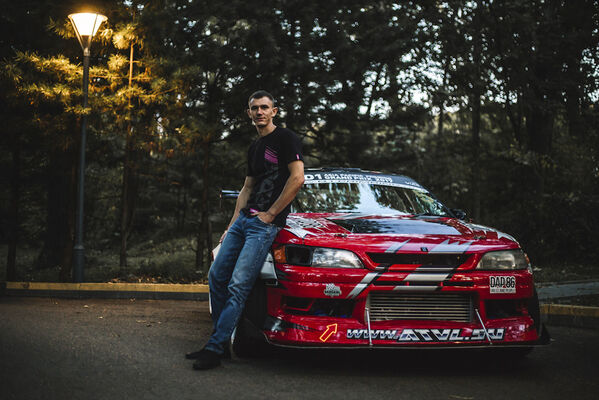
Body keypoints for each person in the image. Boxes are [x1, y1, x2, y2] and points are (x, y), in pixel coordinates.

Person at [187, 90, 304, 370]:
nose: (259, 112)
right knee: (216, 276)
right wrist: (231, 225)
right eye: (255, 108)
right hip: (243, 222)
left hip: (264, 226)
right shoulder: (255, 147)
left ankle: (215, 348)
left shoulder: (286, 138)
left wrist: (271, 214)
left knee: (238, 284)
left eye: (264, 107)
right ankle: (220, 343)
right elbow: (247, 188)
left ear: (274, 111)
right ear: (249, 112)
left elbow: (298, 178)